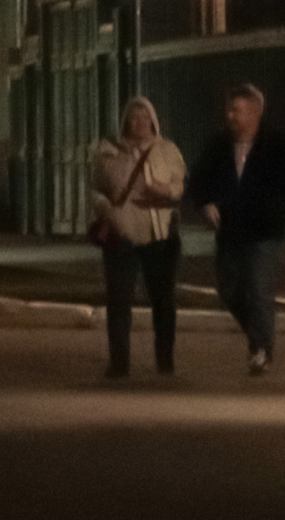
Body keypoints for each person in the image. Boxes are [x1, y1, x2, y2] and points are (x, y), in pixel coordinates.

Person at [185, 83, 285, 377]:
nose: (231, 116)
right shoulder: (218, 145)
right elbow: (197, 180)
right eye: (229, 109)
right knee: (229, 290)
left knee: (258, 289)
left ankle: (262, 348)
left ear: (256, 112)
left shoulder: (277, 146)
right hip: (230, 232)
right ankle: (258, 339)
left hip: (266, 233)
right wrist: (206, 204)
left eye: (237, 110)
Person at [91, 95, 186, 379]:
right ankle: (119, 362)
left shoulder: (167, 151)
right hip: (123, 235)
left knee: (164, 300)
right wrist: (108, 211)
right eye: (134, 118)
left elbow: (180, 183)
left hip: (160, 235)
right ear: (125, 122)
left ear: (154, 122)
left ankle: (165, 358)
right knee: (120, 300)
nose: (140, 123)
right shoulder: (108, 153)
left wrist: (167, 191)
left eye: (146, 118)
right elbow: (96, 190)